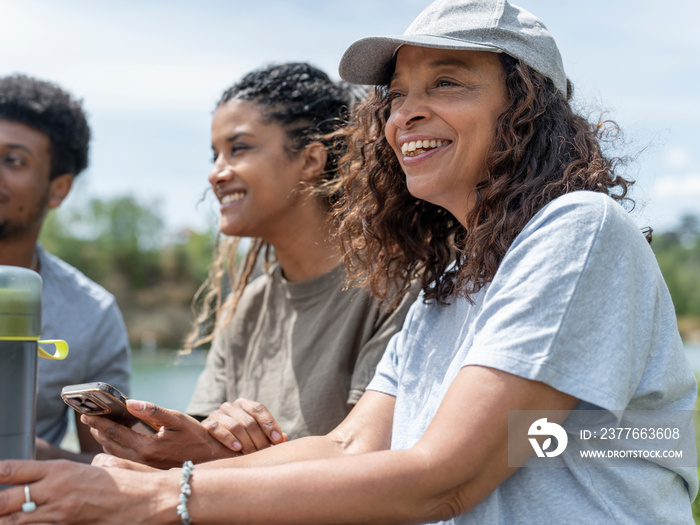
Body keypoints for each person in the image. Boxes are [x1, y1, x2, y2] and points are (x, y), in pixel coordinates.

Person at [0, 1, 696, 523]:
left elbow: (445, 475)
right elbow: (349, 448)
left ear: (527, 105)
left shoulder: (578, 230)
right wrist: (190, 457)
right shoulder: (448, 286)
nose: (405, 114)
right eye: (397, 95)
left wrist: (159, 495)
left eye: (447, 83)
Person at [77, 62, 416, 468]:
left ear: (310, 160)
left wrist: (226, 454)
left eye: (238, 148)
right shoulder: (248, 306)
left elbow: (368, 457)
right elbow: (198, 443)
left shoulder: (394, 288)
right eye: (215, 154)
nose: (216, 173)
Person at [0, 74, 131, 463]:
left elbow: (109, 466)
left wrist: (20, 450)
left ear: (59, 188)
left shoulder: (91, 315)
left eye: (13, 160)